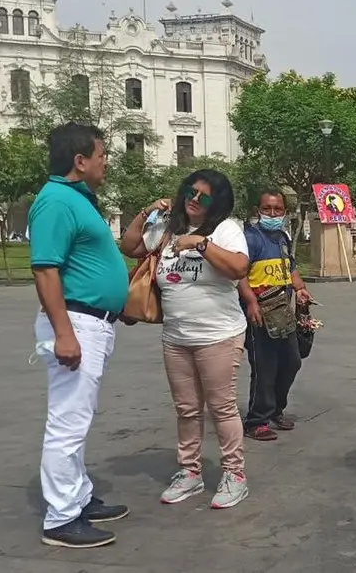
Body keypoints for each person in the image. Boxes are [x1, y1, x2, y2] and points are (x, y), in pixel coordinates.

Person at [119, 170, 251, 509]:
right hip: (176, 337)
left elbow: (239, 268)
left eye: (203, 197)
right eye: (190, 192)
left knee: (222, 407)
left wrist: (201, 244)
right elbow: (130, 246)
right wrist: (148, 211)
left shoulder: (226, 229)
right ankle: (190, 472)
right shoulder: (168, 228)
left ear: (217, 203)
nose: (194, 200)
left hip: (218, 335)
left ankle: (234, 474)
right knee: (187, 409)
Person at [29, 122, 130, 548]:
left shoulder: (76, 198)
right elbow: (45, 269)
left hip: (92, 321)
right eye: (102, 155)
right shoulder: (55, 201)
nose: (106, 162)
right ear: (80, 160)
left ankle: (79, 497)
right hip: (76, 323)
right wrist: (63, 333)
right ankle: (61, 518)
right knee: (68, 422)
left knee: (78, 418)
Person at [239, 190, 313, 441]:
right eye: (267, 209)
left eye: (278, 209)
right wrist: (250, 302)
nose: (272, 214)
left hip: (282, 312)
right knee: (264, 367)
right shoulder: (250, 239)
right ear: (257, 211)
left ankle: (275, 409)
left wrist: (300, 288)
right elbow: (239, 274)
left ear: (285, 211)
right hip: (259, 314)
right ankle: (256, 420)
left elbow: (290, 267)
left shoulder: (282, 237)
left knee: (292, 361)